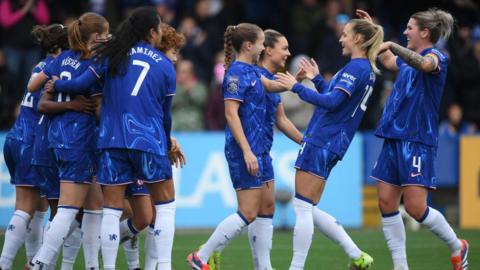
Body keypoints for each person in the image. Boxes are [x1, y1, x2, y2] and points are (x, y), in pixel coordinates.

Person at [48, 7, 184, 270]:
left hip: (111, 139)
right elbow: (165, 116)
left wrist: (58, 85)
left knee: (110, 209)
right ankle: (164, 266)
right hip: (148, 139)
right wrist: (166, 142)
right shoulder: (164, 65)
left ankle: (107, 267)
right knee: (165, 205)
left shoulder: (111, 55)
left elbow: (79, 85)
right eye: (158, 30)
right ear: (152, 32)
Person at [358, 8, 469, 270]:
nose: (406, 31)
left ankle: (457, 245)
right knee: (385, 201)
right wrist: (374, 31)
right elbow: (386, 59)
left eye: (409, 28)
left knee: (416, 208)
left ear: (424, 32)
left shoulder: (436, 56)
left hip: (417, 140)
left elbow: (423, 64)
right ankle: (401, 266)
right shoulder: (407, 60)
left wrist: (394, 45)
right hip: (393, 137)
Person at [274, 16, 384, 270]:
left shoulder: (355, 68)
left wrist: (296, 87)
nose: (341, 38)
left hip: (323, 139)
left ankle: (296, 267)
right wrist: (316, 79)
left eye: (346, 34)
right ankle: (356, 254)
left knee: (302, 206)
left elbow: (333, 103)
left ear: (358, 39)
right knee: (307, 206)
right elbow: (337, 100)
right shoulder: (364, 70)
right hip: (333, 142)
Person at [187, 22, 285, 270]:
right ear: (249, 45)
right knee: (248, 212)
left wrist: (296, 82)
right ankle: (201, 256)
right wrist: (247, 151)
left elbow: (271, 85)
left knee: (266, 208)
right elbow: (231, 115)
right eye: (262, 42)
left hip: (260, 149)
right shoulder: (234, 74)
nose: (264, 47)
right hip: (245, 150)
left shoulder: (253, 71)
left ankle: (264, 267)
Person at [26, 12, 109, 270]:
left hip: (57, 136)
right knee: (68, 207)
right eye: (105, 34)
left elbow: (34, 86)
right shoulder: (91, 65)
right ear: (95, 37)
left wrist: (55, 82)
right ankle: (39, 262)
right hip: (79, 137)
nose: (107, 38)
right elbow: (96, 108)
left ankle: (92, 265)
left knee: (95, 204)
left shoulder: (62, 58)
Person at [0, 23, 83, 270]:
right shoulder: (56, 70)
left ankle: (33, 260)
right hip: (34, 140)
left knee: (38, 207)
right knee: (30, 208)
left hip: (15, 137)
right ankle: (7, 263)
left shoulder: (40, 66)